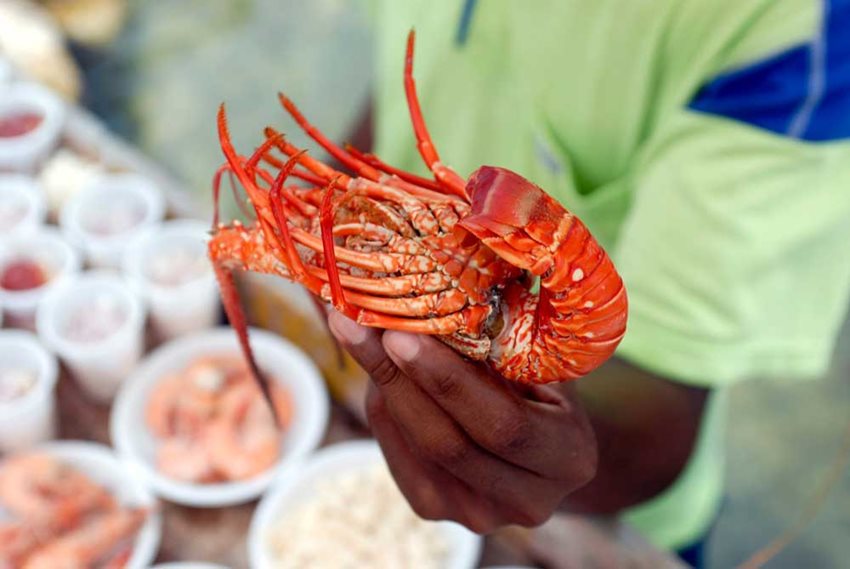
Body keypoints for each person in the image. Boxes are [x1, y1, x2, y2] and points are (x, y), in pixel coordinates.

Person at [326, 1, 850, 566]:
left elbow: (657, 407)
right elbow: (418, 71)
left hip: (607, 501)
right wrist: (337, 205)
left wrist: (518, 439)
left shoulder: (803, 34)